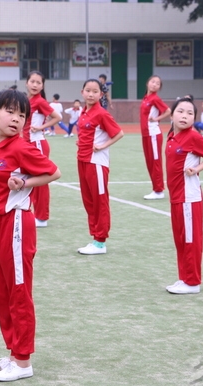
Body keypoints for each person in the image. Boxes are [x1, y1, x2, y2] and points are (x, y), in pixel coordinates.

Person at [0, 90, 61, 382]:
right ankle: (12, 354)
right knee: (1, 292)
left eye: (22, 115)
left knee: (18, 292)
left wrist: (24, 183)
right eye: (10, 112)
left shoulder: (21, 147)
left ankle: (23, 362)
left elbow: (53, 173)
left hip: (16, 222)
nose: (16, 119)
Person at [165, 97, 203, 294]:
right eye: (180, 111)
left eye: (189, 113)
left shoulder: (193, 137)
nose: (184, 116)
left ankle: (192, 282)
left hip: (189, 197)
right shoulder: (171, 137)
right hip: (176, 197)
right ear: (172, 115)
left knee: (190, 240)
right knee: (180, 240)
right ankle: (184, 278)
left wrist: (197, 169)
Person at [76, 79, 124, 255]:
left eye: (95, 91)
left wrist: (103, 146)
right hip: (82, 160)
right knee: (88, 201)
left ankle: (100, 242)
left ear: (101, 94)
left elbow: (119, 133)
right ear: (82, 92)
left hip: (96, 162)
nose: (91, 94)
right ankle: (95, 237)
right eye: (88, 90)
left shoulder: (101, 113)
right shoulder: (83, 112)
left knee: (99, 201)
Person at [22, 71, 62, 228]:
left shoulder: (39, 101)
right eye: (32, 81)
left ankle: (42, 217)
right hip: (27, 144)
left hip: (37, 143)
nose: (35, 85)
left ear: (42, 86)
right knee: (31, 180)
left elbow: (57, 117)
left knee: (41, 181)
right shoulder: (27, 100)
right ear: (26, 83)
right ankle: (35, 213)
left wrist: (41, 127)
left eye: (38, 82)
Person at [139, 75, 171, 200]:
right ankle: (156, 188)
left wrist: (157, 119)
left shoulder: (155, 99)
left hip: (153, 134)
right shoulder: (146, 98)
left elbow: (168, 111)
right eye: (153, 82)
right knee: (149, 162)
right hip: (146, 134)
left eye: (158, 84)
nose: (154, 84)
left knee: (155, 162)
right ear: (147, 83)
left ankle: (158, 190)